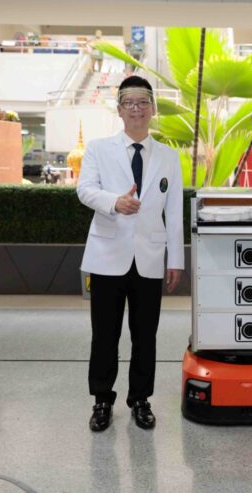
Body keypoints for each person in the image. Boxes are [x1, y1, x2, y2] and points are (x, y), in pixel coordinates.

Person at [77, 75, 185, 432]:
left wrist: (175, 260)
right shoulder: (98, 149)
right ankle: (101, 400)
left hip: (149, 259)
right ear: (120, 109)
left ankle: (140, 399)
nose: (136, 108)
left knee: (145, 335)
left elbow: (174, 211)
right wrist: (114, 203)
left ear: (152, 109)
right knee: (104, 334)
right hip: (107, 255)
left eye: (142, 102)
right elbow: (85, 190)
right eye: (129, 102)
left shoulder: (168, 156)